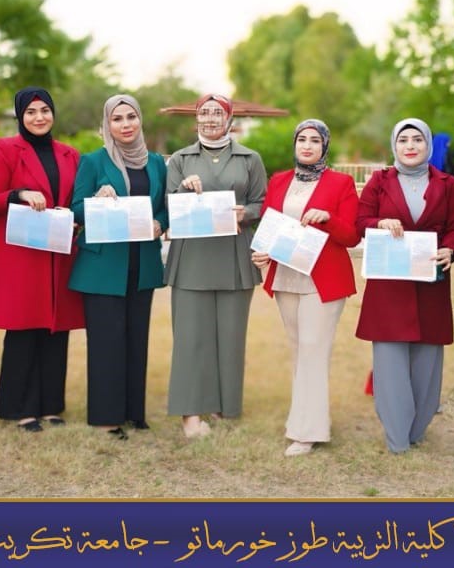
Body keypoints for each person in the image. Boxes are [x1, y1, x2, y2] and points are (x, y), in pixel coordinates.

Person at [0, 87, 85, 432]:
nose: (39, 117)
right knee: (23, 331)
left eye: (45, 110)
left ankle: (51, 406)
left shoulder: (70, 155)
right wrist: (18, 194)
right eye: (31, 112)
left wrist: (77, 217)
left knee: (56, 330)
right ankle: (20, 408)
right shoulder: (6, 151)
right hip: (22, 256)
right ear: (21, 116)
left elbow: (75, 199)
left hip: (58, 253)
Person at [355, 118, 454, 454]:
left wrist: (451, 248)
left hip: (430, 282)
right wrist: (379, 222)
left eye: (418, 139)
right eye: (403, 140)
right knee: (389, 361)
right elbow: (360, 221)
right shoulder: (379, 181)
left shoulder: (447, 183)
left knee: (426, 361)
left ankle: (417, 430)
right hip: (389, 285)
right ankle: (397, 437)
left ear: (428, 145)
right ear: (395, 145)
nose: (410, 145)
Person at [251, 119, 359, 457]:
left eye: (315, 140)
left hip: (322, 279)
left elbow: (352, 235)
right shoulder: (279, 180)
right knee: (299, 349)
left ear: (325, 146)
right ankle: (305, 419)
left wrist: (328, 218)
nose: (307, 145)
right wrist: (262, 252)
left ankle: (307, 432)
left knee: (313, 349)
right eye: (302, 139)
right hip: (286, 275)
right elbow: (269, 223)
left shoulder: (341, 183)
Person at [165, 94, 267, 438]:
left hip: (235, 255)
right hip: (192, 258)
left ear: (229, 118)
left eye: (217, 113)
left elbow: (262, 203)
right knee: (191, 338)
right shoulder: (180, 159)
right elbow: (169, 206)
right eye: (204, 112)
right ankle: (191, 413)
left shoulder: (250, 159)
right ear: (196, 118)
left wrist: (246, 213)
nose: (210, 118)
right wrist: (183, 189)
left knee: (231, 336)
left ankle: (225, 405)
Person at [69, 95, 168, 440]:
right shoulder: (93, 161)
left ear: (140, 120)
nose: (125, 124)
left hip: (142, 263)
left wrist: (160, 222)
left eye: (131, 117)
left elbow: (164, 206)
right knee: (106, 343)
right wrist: (96, 200)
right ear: (107, 125)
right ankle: (106, 418)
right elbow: (75, 208)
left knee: (137, 340)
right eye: (117, 119)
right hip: (104, 267)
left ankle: (133, 412)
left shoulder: (156, 163)